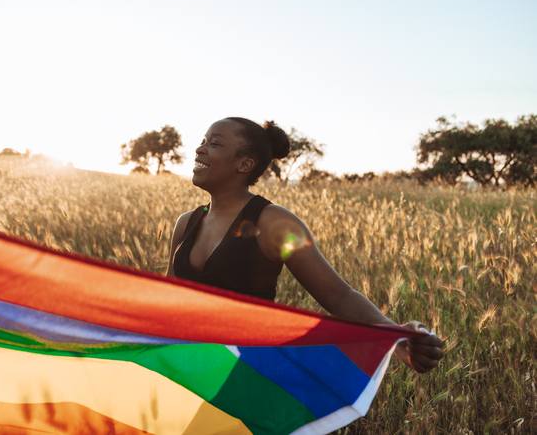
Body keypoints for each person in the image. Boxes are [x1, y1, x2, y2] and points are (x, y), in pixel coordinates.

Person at [166, 117, 444, 373]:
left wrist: (394, 335)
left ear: (244, 164)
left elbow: (338, 295)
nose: (199, 149)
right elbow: (166, 301)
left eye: (214, 143)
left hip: (246, 373)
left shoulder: (276, 223)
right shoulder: (186, 223)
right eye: (203, 141)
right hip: (189, 369)